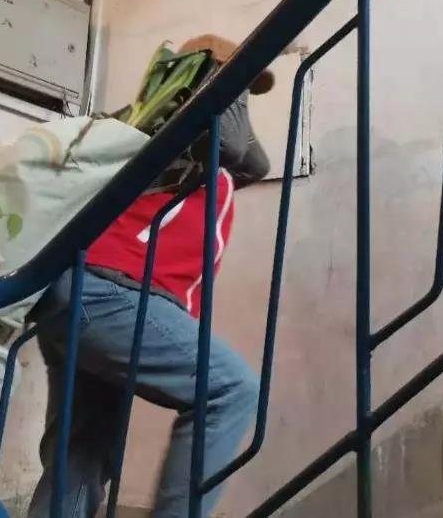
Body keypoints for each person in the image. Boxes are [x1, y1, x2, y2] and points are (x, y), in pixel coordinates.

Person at [28, 35, 273, 518]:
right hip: (109, 292)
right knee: (229, 388)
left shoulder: (199, 150)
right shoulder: (173, 127)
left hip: (89, 294)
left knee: (83, 451)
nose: (243, 97)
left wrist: (237, 85)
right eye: (238, 84)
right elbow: (232, 142)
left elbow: (254, 162)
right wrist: (223, 75)